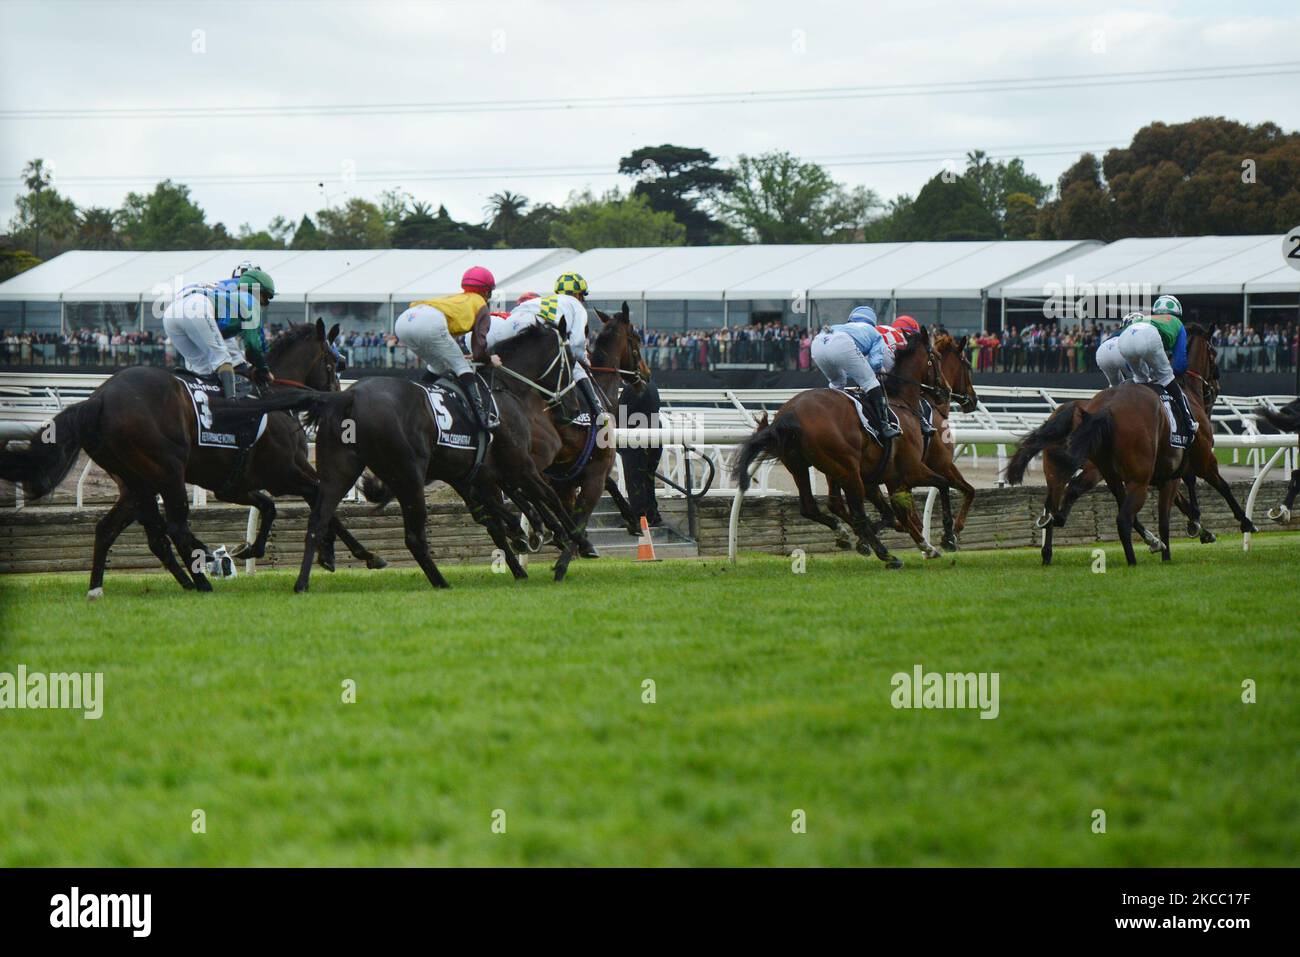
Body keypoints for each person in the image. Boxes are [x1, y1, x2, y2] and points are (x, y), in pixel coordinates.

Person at [488, 273, 605, 423]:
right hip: (535, 327)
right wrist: (585, 360)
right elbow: (576, 344)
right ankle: (598, 411)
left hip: (512, 321)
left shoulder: (546, 300)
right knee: (576, 367)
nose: (582, 299)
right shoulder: (577, 306)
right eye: (582, 296)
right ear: (577, 294)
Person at [395, 265, 497, 431]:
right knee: (462, 368)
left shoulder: (459, 298)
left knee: (439, 365)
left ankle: (412, 400)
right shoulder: (481, 305)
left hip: (403, 321)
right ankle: (482, 416)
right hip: (429, 322)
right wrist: (488, 359)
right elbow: (479, 350)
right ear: (486, 292)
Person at [161, 268, 276, 398]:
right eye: (266, 297)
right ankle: (230, 404)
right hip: (197, 307)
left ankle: (199, 405)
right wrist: (263, 369)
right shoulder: (251, 301)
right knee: (223, 360)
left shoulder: (232, 297)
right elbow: (252, 345)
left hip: (171, 313)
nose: (265, 303)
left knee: (203, 368)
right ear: (257, 291)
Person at [810, 305, 900, 439]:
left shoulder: (842, 326)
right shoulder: (874, 332)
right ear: (872, 322)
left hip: (818, 341)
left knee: (837, 382)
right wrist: (873, 373)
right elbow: (875, 363)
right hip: (841, 343)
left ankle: (828, 415)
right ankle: (884, 425)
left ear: (851, 319)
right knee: (870, 382)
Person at [1116, 295, 1196, 444]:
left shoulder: (1146, 318)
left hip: (1124, 338)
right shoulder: (1177, 323)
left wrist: (1145, 373)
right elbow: (1180, 364)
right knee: (1168, 379)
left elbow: (1128, 366)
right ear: (1177, 313)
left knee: (1140, 380)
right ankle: (1189, 423)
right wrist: (1166, 374)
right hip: (1147, 337)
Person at [1095, 313, 1142, 387]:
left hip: (1103, 352)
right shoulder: (1139, 332)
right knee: (1141, 379)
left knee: (1115, 385)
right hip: (1125, 354)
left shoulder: (1116, 332)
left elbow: (1105, 344)